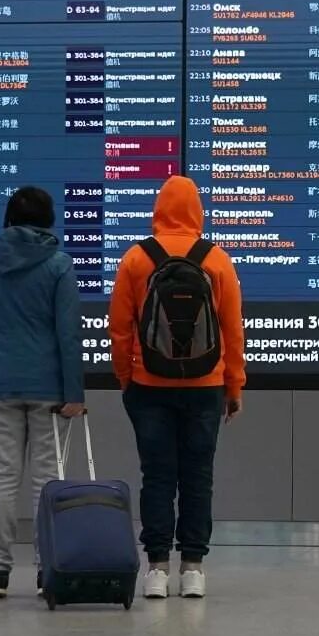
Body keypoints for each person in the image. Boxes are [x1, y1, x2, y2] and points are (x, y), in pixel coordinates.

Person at [108, 175, 245, 600]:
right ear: (197, 210)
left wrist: (126, 378)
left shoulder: (136, 258)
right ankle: (194, 569)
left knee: (157, 475)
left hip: (148, 385)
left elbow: (119, 329)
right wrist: (233, 385)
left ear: (158, 209)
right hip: (205, 386)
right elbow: (232, 330)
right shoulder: (216, 259)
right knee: (198, 476)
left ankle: (156, 569)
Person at [0, 185, 86, 599]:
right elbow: (68, 334)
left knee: (0, 476)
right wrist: (75, 392)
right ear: (49, 220)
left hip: (1, 386)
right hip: (50, 387)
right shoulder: (60, 266)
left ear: (8, 218)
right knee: (47, 481)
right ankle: (46, 570)